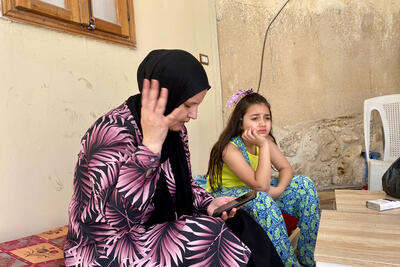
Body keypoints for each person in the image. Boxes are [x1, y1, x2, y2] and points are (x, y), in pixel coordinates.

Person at [64, 50, 283, 266]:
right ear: (164, 98)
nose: (194, 115)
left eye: (197, 105)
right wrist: (150, 149)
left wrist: (210, 204)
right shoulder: (109, 133)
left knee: (239, 222)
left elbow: (184, 184)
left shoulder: (175, 131)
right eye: (188, 105)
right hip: (104, 246)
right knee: (205, 235)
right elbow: (112, 220)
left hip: (153, 228)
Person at [206, 90, 321, 267]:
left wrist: (279, 190)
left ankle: (308, 257)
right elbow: (260, 186)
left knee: (304, 184)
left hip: (259, 190)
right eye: (255, 118)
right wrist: (263, 146)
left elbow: (285, 169)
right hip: (228, 193)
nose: (262, 123)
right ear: (241, 121)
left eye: (267, 118)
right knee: (262, 199)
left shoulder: (265, 140)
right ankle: (290, 264)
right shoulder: (230, 149)